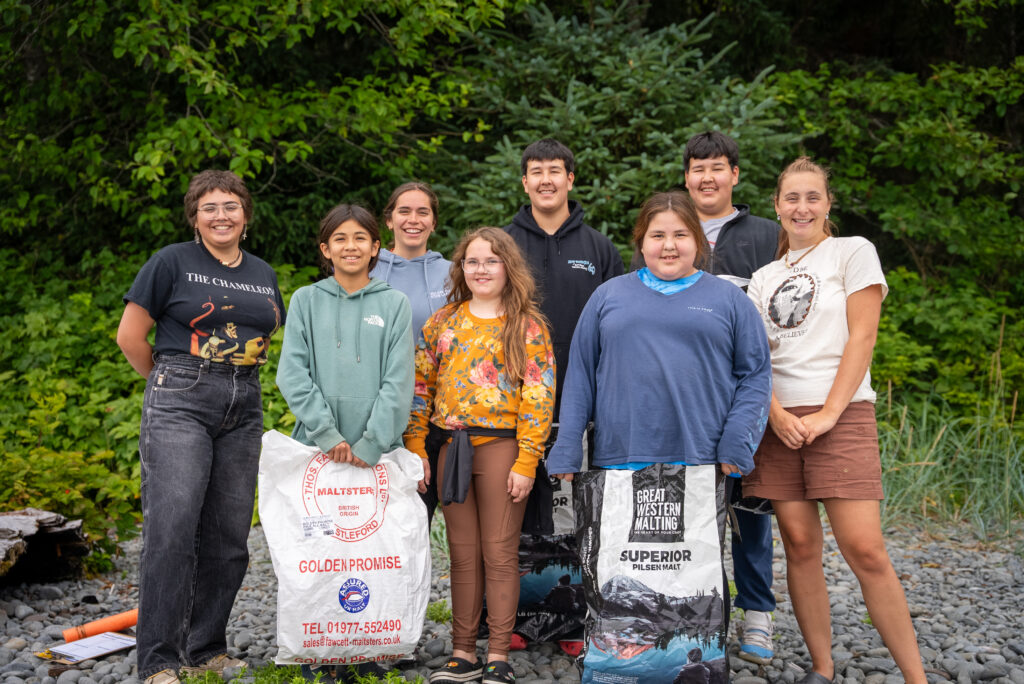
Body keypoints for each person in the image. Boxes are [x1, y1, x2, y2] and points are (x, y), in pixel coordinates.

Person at [545, 192, 771, 679]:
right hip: (621, 454)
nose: (669, 246)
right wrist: (566, 445)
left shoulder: (728, 299)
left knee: (692, 566)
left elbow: (755, 375)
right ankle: (623, 663)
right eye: (657, 236)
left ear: (697, 241)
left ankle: (693, 660)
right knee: (626, 566)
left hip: (701, 455)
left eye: (680, 236)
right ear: (641, 241)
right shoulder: (609, 296)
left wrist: (738, 440)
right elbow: (580, 374)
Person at [745, 157, 926, 684]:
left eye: (813, 197)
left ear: (827, 204)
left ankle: (916, 676)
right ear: (777, 207)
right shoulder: (763, 278)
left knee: (865, 549)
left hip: (841, 414)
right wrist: (774, 413)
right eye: (792, 198)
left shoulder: (852, 252)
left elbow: (862, 338)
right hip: (778, 423)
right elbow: (756, 359)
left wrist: (829, 413)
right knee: (800, 546)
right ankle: (822, 669)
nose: (802, 207)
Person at [116, 170, 285, 684]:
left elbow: (267, 331)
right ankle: (159, 659)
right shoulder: (171, 262)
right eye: (209, 207)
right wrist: (171, 384)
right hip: (181, 397)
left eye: (231, 205)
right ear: (195, 217)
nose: (221, 215)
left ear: (246, 216)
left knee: (230, 535)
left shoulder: (262, 272)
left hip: (245, 401)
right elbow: (130, 335)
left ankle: (206, 645)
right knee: (172, 530)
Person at [404, 227, 555, 684]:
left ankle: (499, 656)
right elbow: (420, 387)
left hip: (503, 448)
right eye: (472, 261)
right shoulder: (443, 322)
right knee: (463, 555)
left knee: (500, 553)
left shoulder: (526, 325)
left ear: (508, 268)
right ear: (461, 269)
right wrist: (416, 447)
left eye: (491, 261)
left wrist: (527, 460)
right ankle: (463, 652)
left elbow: (540, 394)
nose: (481, 269)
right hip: (452, 448)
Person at [276, 203, 415, 683]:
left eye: (360, 238)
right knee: (321, 548)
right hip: (317, 449)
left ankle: (371, 645)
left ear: (377, 247)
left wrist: (371, 441)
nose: (350, 246)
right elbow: (291, 373)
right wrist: (329, 435)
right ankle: (322, 644)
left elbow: (399, 383)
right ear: (325, 249)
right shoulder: (305, 301)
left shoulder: (393, 304)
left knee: (373, 549)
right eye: (340, 238)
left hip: (377, 451)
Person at [674, 131, 783, 664]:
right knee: (690, 507)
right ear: (686, 177)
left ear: (735, 174)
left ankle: (758, 614)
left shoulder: (767, 234)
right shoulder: (671, 230)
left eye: (717, 167)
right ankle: (692, 609)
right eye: (697, 168)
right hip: (685, 396)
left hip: (747, 392)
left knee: (751, 508)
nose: (707, 177)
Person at [370, 181, 451, 523]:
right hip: (376, 411)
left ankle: (417, 579)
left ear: (434, 222)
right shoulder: (366, 270)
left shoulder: (453, 273)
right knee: (378, 517)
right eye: (404, 211)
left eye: (423, 212)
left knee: (420, 515)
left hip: (433, 414)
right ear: (389, 220)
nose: (413, 219)